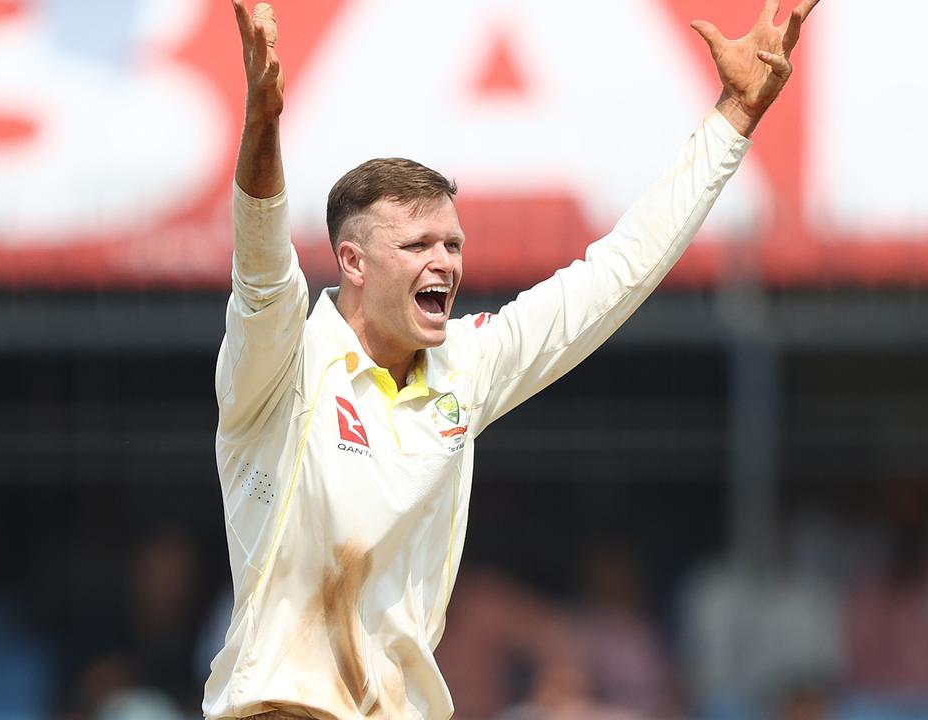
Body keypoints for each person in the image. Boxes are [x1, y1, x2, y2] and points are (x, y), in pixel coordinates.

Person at [206, 1, 820, 717]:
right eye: (417, 246)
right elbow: (259, 267)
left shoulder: (464, 366)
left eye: (452, 245)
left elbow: (614, 275)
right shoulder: (283, 364)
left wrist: (735, 115)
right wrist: (262, 125)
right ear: (353, 262)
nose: (444, 262)